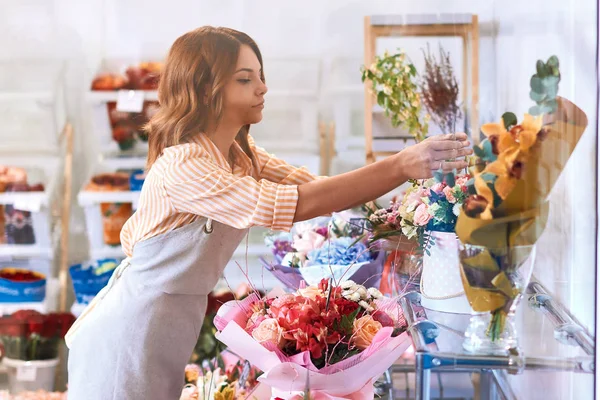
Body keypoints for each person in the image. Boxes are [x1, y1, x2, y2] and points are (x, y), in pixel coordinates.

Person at [66, 26, 472, 400]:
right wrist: (399, 165)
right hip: (126, 339)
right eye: (245, 79)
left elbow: (313, 185)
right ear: (207, 89)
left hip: (164, 330)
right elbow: (296, 203)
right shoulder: (183, 165)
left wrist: (405, 217)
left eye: (259, 75)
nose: (263, 87)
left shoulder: (240, 155)